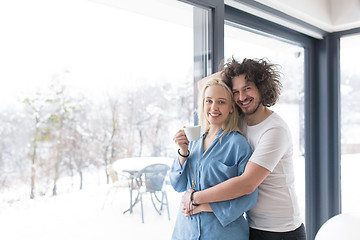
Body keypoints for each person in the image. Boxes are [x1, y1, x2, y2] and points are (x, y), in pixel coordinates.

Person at [182, 58, 307, 240]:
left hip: (281, 230)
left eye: (247, 88)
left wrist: (194, 198)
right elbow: (204, 85)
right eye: (235, 92)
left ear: (262, 88)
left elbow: (247, 184)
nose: (241, 97)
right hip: (253, 224)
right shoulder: (241, 121)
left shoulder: (274, 129)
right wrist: (232, 74)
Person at [169, 78, 258, 240]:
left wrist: (204, 206)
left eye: (221, 102)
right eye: (208, 101)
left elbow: (248, 197)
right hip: (186, 232)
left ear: (232, 107)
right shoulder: (194, 140)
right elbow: (178, 185)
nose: (214, 107)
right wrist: (183, 151)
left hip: (223, 234)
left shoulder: (237, 144)